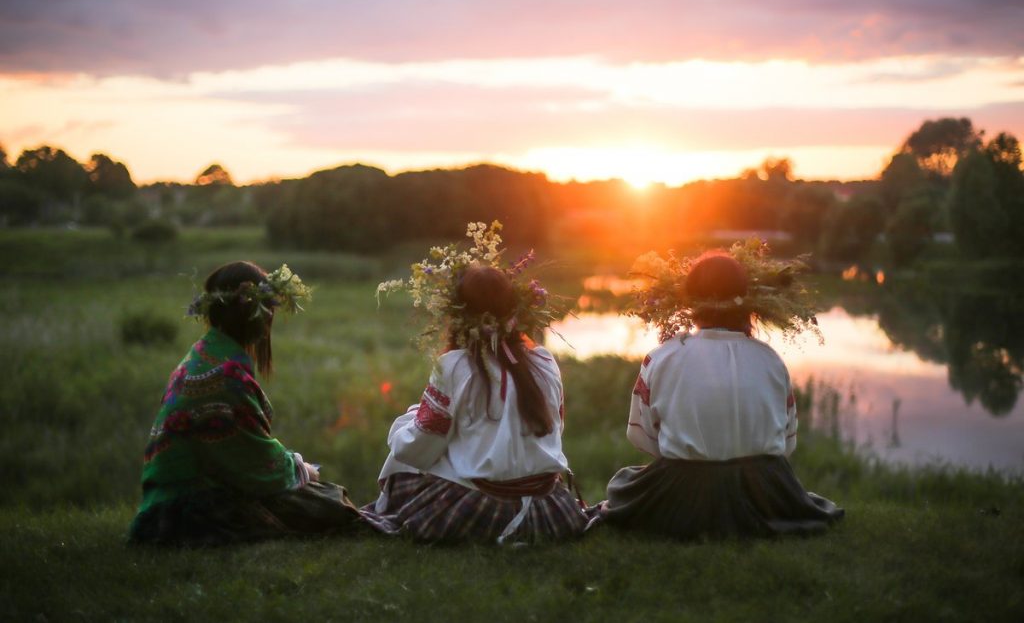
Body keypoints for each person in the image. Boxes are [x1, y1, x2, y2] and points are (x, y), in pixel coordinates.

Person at [363, 223, 588, 543]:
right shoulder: (543, 360)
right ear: (515, 308)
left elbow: (420, 449)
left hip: (483, 508)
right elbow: (554, 430)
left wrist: (402, 429)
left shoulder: (454, 365)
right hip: (549, 508)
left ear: (458, 315)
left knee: (406, 468)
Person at [600, 249, 844, 539]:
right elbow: (786, 444)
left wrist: (693, 457)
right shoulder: (771, 360)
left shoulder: (661, 357)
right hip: (763, 492)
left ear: (690, 300)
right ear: (746, 298)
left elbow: (641, 437)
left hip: (684, 492)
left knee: (624, 483)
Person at [128, 261, 363, 546]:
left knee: (324, 497)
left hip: (163, 507)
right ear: (257, 316)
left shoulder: (200, 355)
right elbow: (254, 465)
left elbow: (243, 449)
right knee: (331, 504)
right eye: (269, 312)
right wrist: (301, 468)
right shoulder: (227, 375)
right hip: (191, 513)